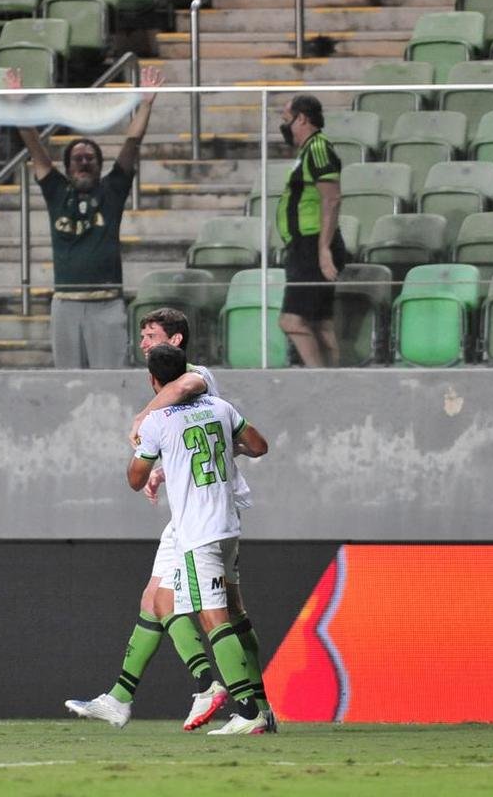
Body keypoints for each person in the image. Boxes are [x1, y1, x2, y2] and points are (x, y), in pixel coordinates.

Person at [65, 309, 274, 732]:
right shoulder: (216, 407)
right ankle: (122, 698)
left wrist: (143, 417)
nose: (143, 343)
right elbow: (245, 444)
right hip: (211, 510)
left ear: (175, 340)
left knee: (207, 611)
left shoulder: (195, 380)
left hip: (200, 517)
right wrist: (168, 468)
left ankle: (228, 697)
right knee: (160, 601)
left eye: (151, 335)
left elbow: (184, 386)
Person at [129, 342, 270, 735]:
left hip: (197, 531)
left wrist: (143, 449)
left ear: (153, 380)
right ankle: (262, 707)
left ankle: (248, 713)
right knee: (234, 612)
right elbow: (259, 446)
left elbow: (135, 479)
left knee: (213, 619)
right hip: (228, 524)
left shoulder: (158, 422)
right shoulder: (221, 408)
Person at [6, 66, 164, 369]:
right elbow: (33, 145)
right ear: (67, 168)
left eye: (90, 158)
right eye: (77, 159)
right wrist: (19, 106)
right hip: (65, 304)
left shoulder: (112, 191)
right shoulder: (56, 192)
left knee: (111, 380)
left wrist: (145, 104)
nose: (83, 163)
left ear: (99, 166)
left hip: (107, 302)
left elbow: (132, 142)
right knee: (67, 382)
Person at [275, 93, 345, 368]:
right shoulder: (308, 151)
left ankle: (317, 379)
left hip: (312, 245)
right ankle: (335, 381)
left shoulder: (318, 148)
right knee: (320, 323)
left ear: (301, 118)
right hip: (306, 245)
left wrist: (323, 249)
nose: (285, 126)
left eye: (286, 119)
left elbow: (332, 198)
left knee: (291, 320)